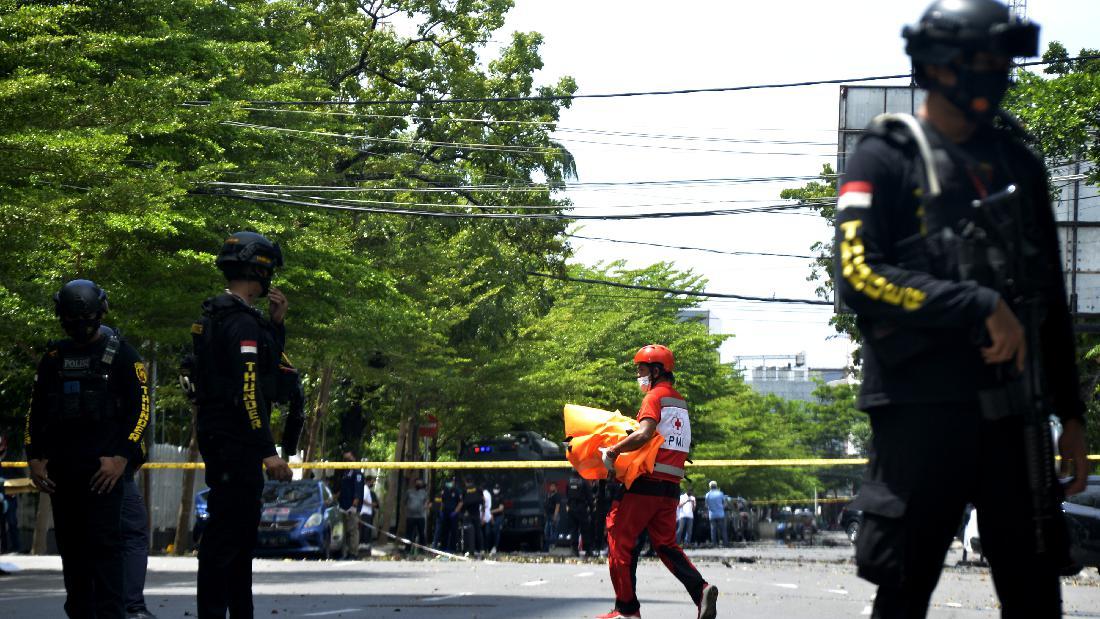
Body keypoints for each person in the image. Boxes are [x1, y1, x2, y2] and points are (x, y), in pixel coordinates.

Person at [835, 2, 1090, 616]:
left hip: (1014, 415)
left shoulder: (1017, 163)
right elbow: (856, 275)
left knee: (1035, 592)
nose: (998, 72)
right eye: (985, 60)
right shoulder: (886, 155)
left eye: (1003, 60)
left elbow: (1049, 297)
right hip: (921, 412)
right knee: (905, 587)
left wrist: (1072, 416)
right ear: (943, 65)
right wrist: (974, 303)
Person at [25, 279, 150, 618]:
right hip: (64, 475)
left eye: (86, 318)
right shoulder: (53, 358)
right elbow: (35, 411)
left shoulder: (122, 354)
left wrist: (122, 456)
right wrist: (33, 457)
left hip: (105, 475)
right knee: (74, 556)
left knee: (107, 553)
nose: (80, 326)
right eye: (72, 319)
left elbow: (142, 411)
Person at [191, 231, 293, 618]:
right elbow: (251, 389)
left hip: (219, 435)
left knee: (232, 537)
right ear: (259, 272)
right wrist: (268, 451)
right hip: (237, 442)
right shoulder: (241, 325)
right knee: (229, 539)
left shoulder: (217, 316)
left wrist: (276, 325)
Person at [598, 345, 718, 619]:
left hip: (646, 484)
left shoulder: (655, 397)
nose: (638, 376)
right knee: (665, 545)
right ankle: (701, 590)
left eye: (641, 370)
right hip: (670, 489)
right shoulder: (680, 403)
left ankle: (626, 611)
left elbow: (644, 434)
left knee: (620, 538)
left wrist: (614, 450)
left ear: (655, 371)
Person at [337, 452, 364, 559]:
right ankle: (347, 552)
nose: (346, 460)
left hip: (351, 507)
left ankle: (353, 552)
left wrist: (354, 506)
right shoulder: (345, 472)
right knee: (346, 531)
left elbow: (357, 491)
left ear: (353, 458)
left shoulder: (357, 473)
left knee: (353, 531)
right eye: (345, 459)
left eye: (348, 458)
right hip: (343, 506)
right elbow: (343, 490)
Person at [566, 471, 594, 557]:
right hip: (581, 508)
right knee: (584, 530)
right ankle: (587, 550)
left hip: (571, 508)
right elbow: (589, 496)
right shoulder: (584, 481)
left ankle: (574, 550)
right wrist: (592, 507)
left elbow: (567, 494)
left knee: (574, 529)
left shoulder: (569, 481)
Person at [455, 475, 484, 555]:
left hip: (468, 514)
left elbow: (461, 503)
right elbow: (483, 501)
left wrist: (456, 512)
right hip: (476, 513)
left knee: (467, 532)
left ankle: (468, 550)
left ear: (466, 482)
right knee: (478, 532)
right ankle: (480, 549)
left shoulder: (464, 490)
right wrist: (483, 515)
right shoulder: (478, 489)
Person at [433, 477, 462, 551]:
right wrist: (441, 511)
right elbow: (442, 501)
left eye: (451, 482)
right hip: (445, 513)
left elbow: (460, 502)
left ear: (453, 482)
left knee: (453, 531)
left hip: (453, 514)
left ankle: (453, 548)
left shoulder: (457, 491)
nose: (449, 483)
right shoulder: (444, 491)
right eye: (448, 482)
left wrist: (455, 512)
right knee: (444, 531)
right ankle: (443, 548)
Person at [405, 477, 429, 554]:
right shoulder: (409, 492)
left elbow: (427, 502)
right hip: (410, 516)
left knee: (422, 534)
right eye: (417, 483)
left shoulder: (424, 493)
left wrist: (425, 506)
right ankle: (407, 549)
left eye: (420, 483)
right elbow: (405, 502)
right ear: (414, 483)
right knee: (409, 534)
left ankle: (422, 550)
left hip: (420, 517)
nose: (418, 484)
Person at [704, 481, 727, 547]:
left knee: (713, 530)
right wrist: (721, 507)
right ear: (716, 486)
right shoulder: (720, 493)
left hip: (712, 515)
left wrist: (710, 507)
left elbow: (706, 505)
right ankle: (725, 544)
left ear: (710, 487)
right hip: (720, 514)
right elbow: (725, 504)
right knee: (723, 529)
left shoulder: (707, 494)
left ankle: (714, 544)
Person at [360, 475, 379, 555]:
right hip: (365, 513)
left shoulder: (367, 489)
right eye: (372, 482)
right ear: (368, 481)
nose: (373, 483)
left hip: (368, 513)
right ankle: (363, 548)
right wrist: (371, 505)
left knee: (367, 531)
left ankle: (366, 548)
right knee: (365, 531)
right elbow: (362, 500)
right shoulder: (365, 489)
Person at [543, 482, 563, 552]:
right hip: (548, 516)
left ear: (555, 487)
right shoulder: (548, 495)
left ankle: (553, 545)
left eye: (552, 486)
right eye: (550, 486)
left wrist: (555, 515)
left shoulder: (557, 495)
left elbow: (557, 506)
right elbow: (545, 504)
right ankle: (547, 546)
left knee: (553, 531)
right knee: (546, 531)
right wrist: (545, 512)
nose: (551, 488)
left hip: (553, 515)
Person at [488, 482, 505, 554]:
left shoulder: (501, 497)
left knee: (496, 530)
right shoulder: (490, 496)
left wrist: (491, 512)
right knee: (488, 532)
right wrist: (490, 514)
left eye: (497, 489)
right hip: (490, 516)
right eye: (495, 488)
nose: (496, 490)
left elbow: (501, 509)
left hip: (498, 516)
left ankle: (495, 546)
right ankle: (488, 547)